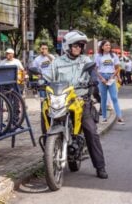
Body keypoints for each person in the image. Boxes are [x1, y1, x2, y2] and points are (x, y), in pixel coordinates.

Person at [44, 30, 108, 179]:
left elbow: (92, 71)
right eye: (76, 45)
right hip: (60, 100)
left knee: (91, 131)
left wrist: (93, 80)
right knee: (44, 115)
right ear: (67, 46)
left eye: (81, 45)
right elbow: (47, 76)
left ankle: (100, 166)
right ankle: (48, 156)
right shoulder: (57, 63)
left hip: (80, 100)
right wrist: (39, 80)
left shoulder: (85, 60)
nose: (79, 48)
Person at [95, 40, 125, 124]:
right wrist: (102, 79)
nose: (108, 46)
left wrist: (113, 77)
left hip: (111, 77)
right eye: (106, 45)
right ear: (102, 47)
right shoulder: (98, 56)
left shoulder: (114, 55)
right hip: (102, 77)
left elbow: (117, 68)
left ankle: (119, 116)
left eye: (109, 45)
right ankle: (104, 117)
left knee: (114, 97)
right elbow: (95, 69)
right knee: (103, 99)